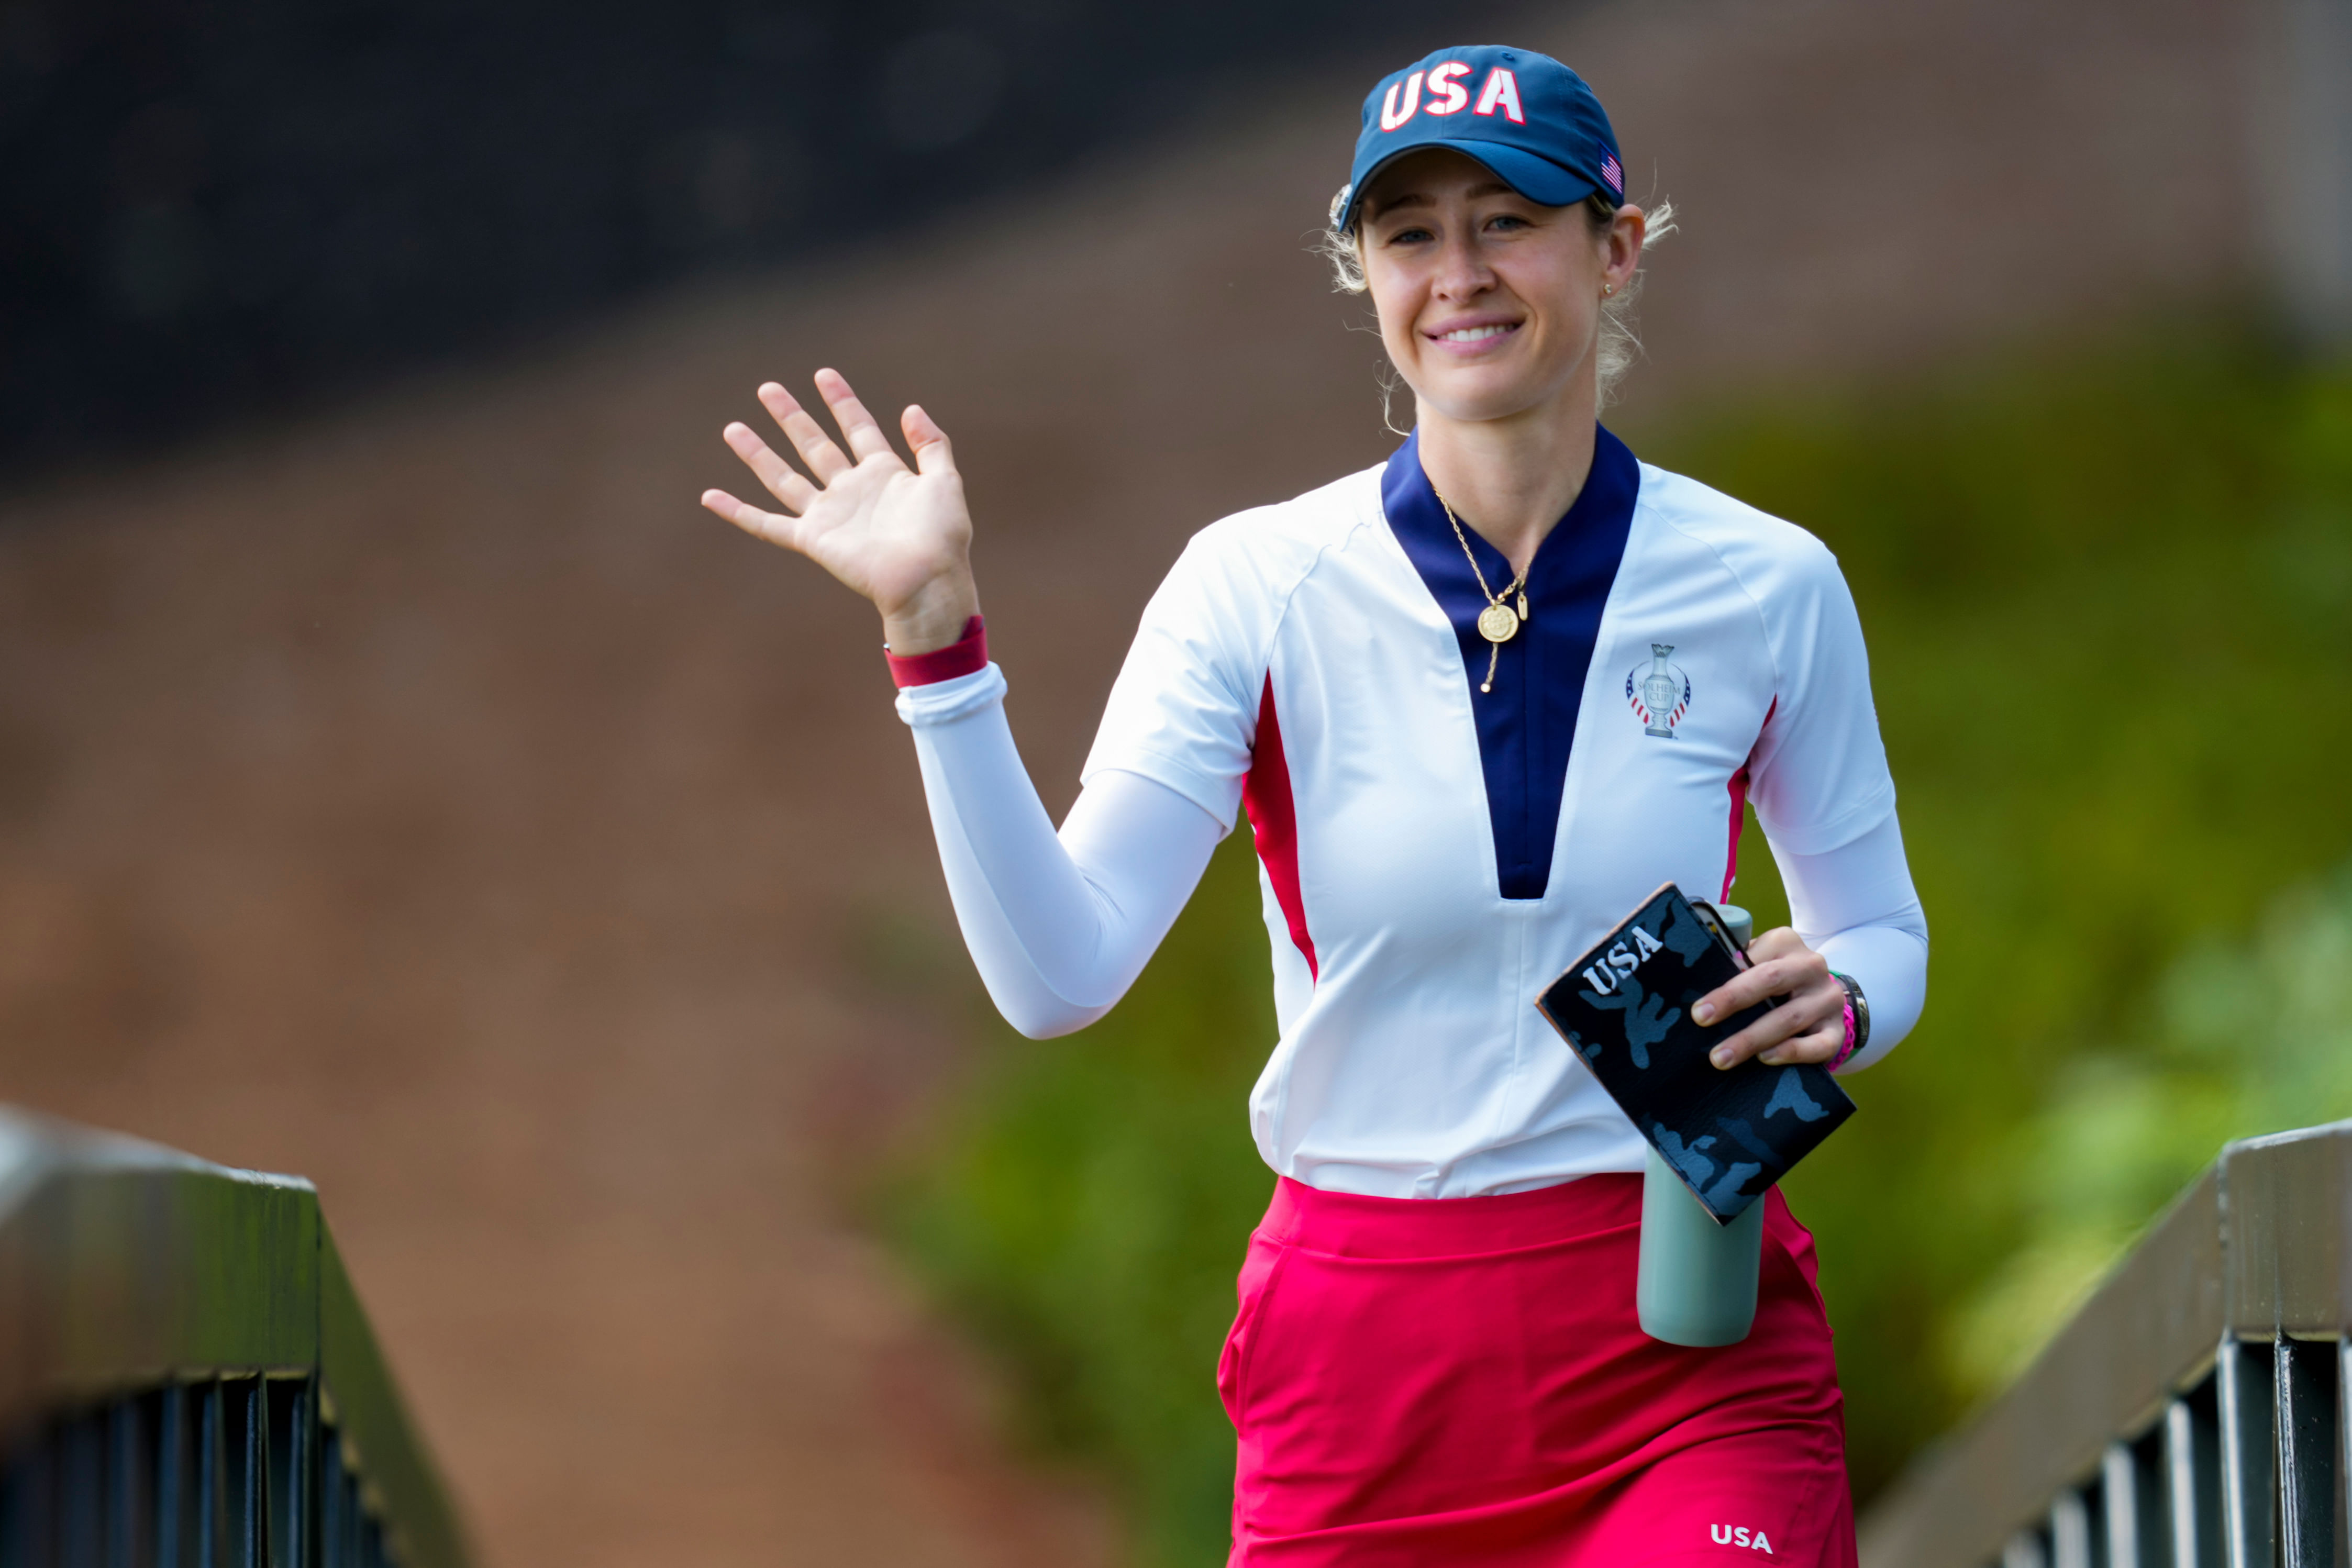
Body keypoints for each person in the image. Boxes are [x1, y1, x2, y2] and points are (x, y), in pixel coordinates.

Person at [701, 43, 1926, 1568]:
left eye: (1509, 219)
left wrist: (1843, 996)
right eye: (1409, 234)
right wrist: (935, 640)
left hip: (1679, 1348)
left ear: (1612, 250)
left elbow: (1873, 924)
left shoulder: (1766, 582)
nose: (1458, 274)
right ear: (1362, 272)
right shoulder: (1253, 585)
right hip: (1365, 1374)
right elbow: (1055, 975)